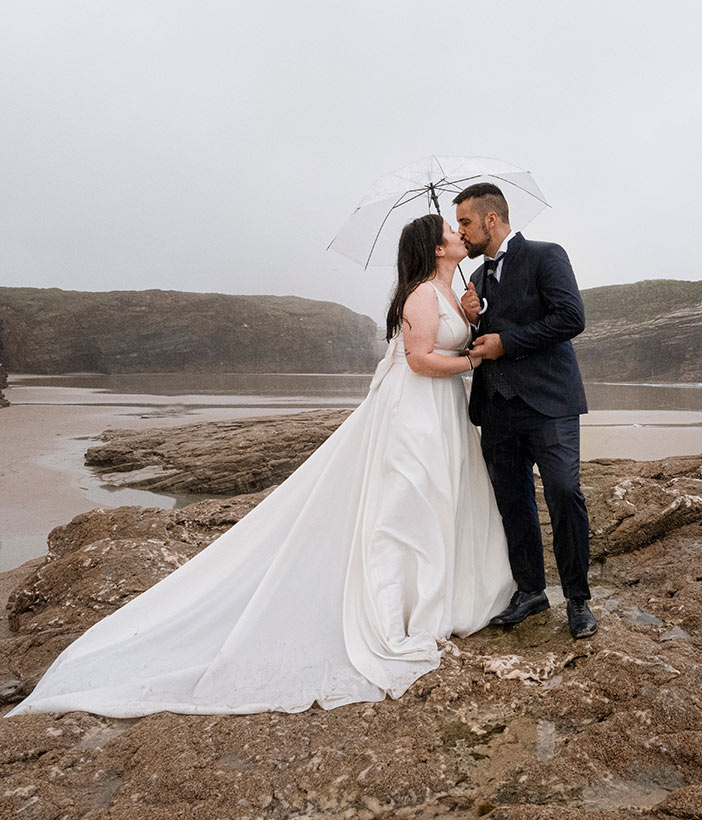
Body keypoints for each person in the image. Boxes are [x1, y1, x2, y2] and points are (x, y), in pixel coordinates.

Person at [6, 215, 514, 718]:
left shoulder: (453, 292)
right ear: (434, 246)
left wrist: (471, 315)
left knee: (442, 497)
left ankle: (439, 594)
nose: (459, 232)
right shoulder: (421, 295)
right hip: (418, 410)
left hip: (444, 411)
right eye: (450, 229)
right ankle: (405, 606)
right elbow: (422, 359)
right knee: (410, 502)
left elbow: (452, 342)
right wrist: (477, 360)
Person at [454, 183, 597, 639]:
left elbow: (571, 318)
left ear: (491, 220)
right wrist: (472, 319)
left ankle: (577, 599)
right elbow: (478, 344)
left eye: (465, 223)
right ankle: (531, 591)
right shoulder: (474, 281)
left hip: (548, 403)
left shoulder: (545, 255)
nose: (462, 234)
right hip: (495, 409)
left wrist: (505, 342)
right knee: (512, 503)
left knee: (563, 493)